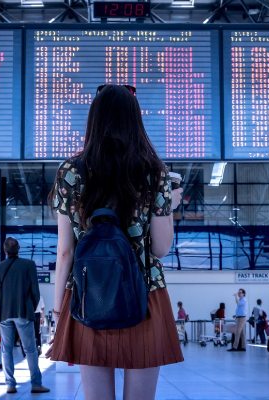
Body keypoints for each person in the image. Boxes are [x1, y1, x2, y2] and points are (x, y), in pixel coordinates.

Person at [48, 84, 184, 400]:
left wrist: (58, 309)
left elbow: (65, 250)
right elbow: (161, 249)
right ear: (135, 121)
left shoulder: (71, 170)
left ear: (94, 120)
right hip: (145, 295)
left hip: (88, 294)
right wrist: (168, 208)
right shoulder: (154, 171)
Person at [0, 237, 49, 394]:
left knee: (6, 349)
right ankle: (36, 384)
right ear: (18, 249)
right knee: (30, 349)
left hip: (4, 313)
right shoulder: (28, 265)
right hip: (23, 311)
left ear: (4, 250)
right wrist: (31, 307)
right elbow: (35, 292)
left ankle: (10, 384)